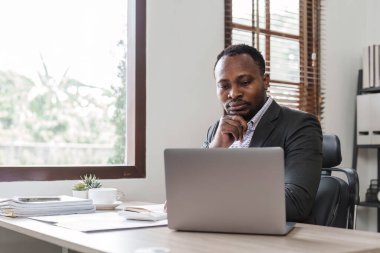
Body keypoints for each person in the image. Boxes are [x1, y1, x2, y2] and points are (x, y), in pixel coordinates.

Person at [202, 44, 322, 222]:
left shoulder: (300, 126)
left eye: (244, 82)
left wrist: (217, 198)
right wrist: (215, 150)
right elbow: (194, 191)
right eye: (224, 86)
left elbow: (296, 204)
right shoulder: (216, 131)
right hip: (219, 230)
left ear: (265, 81)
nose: (233, 94)